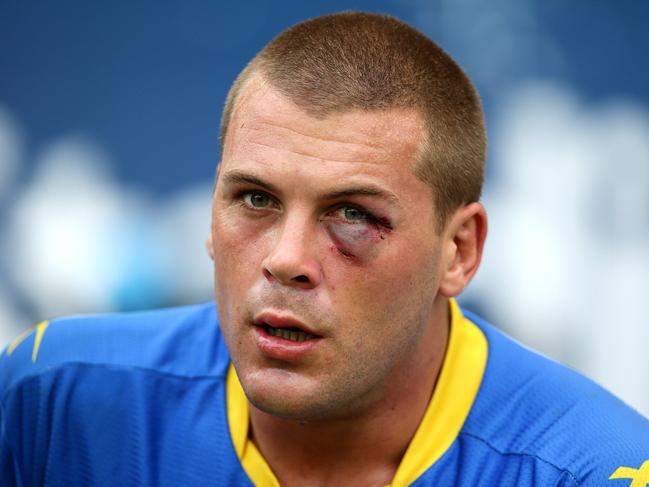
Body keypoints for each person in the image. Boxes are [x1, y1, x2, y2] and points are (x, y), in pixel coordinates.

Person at [1, 11, 648, 487]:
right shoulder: (52, 404)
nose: (285, 259)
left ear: (458, 251)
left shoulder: (596, 468)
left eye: (351, 214)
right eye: (254, 199)